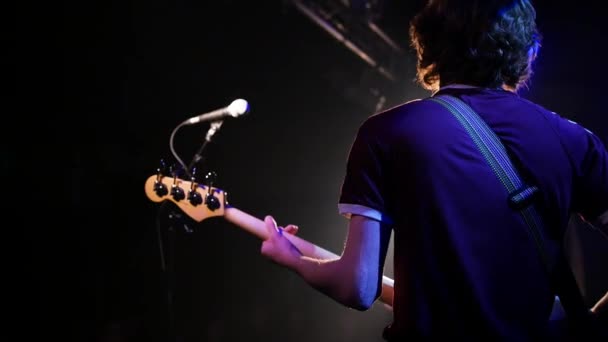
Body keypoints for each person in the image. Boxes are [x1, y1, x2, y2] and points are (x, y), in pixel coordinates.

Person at [260, 0, 608, 340]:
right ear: (527, 51)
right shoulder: (573, 140)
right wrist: (588, 321)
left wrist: (293, 259)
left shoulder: (387, 133)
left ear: (427, 46)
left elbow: (357, 287)